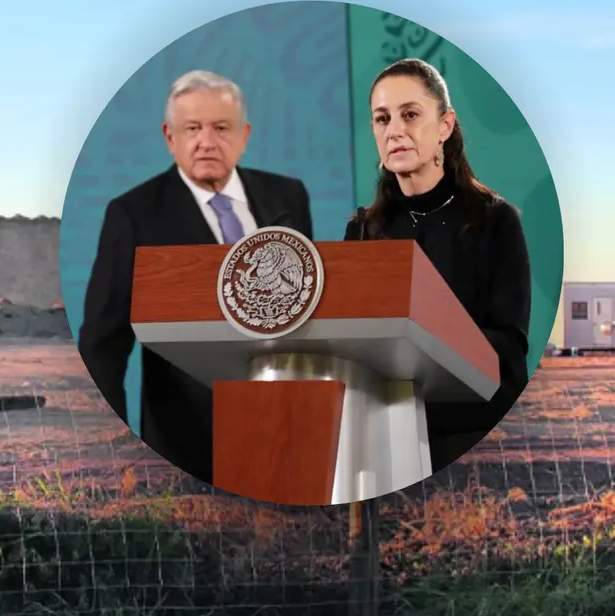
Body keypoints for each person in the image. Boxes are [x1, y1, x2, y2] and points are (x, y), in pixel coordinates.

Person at [78, 70, 315, 485]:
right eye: (193, 129)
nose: (207, 141)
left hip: (288, 430)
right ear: (170, 137)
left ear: (245, 135)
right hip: (186, 444)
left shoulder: (288, 198)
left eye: (221, 128)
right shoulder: (134, 214)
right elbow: (104, 344)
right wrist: (112, 447)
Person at [344, 57, 531, 472]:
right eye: (382, 119)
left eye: (410, 115)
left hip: (465, 437)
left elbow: (508, 353)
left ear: (445, 126)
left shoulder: (496, 222)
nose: (395, 131)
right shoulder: (363, 230)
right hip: (378, 441)